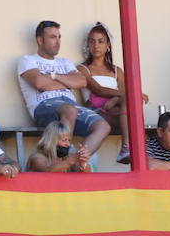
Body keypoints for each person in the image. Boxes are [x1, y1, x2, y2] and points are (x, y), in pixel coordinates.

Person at [19, 20, 111, 160]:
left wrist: (53, 77)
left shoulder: (65, 62)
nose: (58, 41)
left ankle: (77, 160)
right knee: (70, 109)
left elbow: (81, 81)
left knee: (103, 126)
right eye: (52, 37)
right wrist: (68, 82)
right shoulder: (28, 60)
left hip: (71, 106)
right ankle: (61, 160)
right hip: (44, 106)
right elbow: (39, 83)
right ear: (40, 40)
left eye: (59, 37)